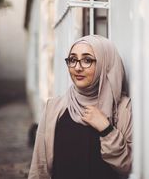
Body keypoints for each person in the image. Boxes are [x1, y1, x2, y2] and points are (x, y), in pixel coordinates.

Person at [28, 35, 132, 179]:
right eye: (72, 60)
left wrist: (107, 130)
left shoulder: (123, 109)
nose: (77, 67)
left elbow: (128, 167)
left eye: (87, 60)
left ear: (105, 64)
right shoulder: (54, 108)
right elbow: (40, 168)